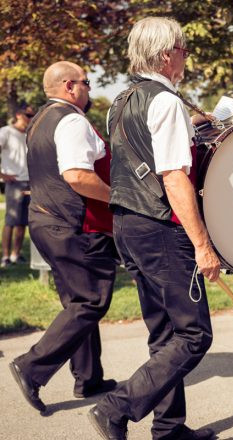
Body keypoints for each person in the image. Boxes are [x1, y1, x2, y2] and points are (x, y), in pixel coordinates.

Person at [87, 17, 220, 440]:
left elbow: (138, 153)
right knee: (195, 334)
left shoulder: (121, 101)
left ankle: (169, 428)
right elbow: (173, 177)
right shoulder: (166, 102)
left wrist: (194, 130)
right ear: (167, 55)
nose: (186, 56)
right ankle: (116, 407)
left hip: (127, 223)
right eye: (183, 48)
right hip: (161, 227)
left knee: (165, 331)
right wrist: (202, 243)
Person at [9, 61, 118, 412]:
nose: (89, 89)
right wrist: (119, 197)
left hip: (44, 221)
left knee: (77, 302)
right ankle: (31, 366)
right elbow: (76, 176)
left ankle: (89, 378)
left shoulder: (40, 120)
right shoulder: (71, 120)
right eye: (86, 82)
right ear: (70, 86)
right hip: (73, 225)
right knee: (90, 301)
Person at [0, 105, 35, 267]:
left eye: (32, 115)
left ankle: (16, 254)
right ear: (18, 115)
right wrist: (2, 175)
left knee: (23, 222)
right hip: (14, 182)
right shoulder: (6, 132)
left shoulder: (30, 134)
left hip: (30, 181)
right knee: (11, 220)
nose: (31, 118)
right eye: (28, 115)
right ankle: (5, 257)